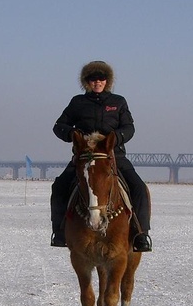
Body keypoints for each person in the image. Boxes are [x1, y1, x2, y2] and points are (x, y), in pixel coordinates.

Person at [50, 60, 152, 252]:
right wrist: (72, 134)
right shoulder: (77, 102)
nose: (97, 82)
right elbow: (58, 126)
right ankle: (60, 231)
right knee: (59, 186)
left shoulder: (118, 102)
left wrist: (116, 137)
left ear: (107, 81)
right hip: (84, 158)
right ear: (86, 81)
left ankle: (141, 234)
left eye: (101, 78)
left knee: (139, 187)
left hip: (114, 156)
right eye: (93, 78)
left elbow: (129, 127)